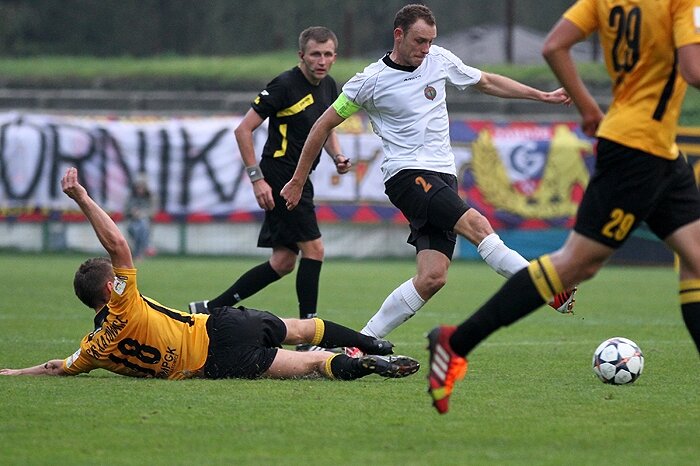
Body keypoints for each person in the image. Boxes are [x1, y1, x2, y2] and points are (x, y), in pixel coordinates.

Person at [425, 0, 700, 414]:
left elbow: (554, 46)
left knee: (697, 259)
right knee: (576, 264)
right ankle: (455, 343)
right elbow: (693, 70)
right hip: (638, 153)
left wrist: (588, 106)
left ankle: (455, 343)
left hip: (658, 150)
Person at [280, 4, 577, 353]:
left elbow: (486, 81)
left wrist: (540, 95)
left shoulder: (439, 60)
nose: (426, 49)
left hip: (443, 176)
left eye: (431, 41)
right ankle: (546, 287)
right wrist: (297, 180)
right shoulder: (369, 81)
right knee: (478, 226)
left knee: (432, 277)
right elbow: (322, 125)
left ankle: (358, 344)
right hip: (407, 175)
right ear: (399, 35)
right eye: (419, 41)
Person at [0, 167, 419, 381]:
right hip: (220, 325)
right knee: (302, 329)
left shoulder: (94, 349)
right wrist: (82, 197)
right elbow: (118, 245)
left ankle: (365, 365)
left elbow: (58, 367)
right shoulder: (123, 305)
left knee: (311, 364)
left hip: (216, 363)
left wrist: (18, 373)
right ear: (111, 287)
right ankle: (374, 344)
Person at [189, 27, 352, 349]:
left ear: (335, 56)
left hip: (300, 177)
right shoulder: (284, 85)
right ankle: (308, 336)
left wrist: (338, 156)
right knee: (315, 250)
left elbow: (326, 127)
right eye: (315, 54)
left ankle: (210, 309)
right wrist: (257, 179)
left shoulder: (330, 85)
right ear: (301, 55)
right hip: (282, 178)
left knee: (283, 261)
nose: (322, 61)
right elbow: (243, 130)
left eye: (328, 54)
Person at [125, 172, 156, 260]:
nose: (140, 190)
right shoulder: (131, 198)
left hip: (145, 223)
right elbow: (126, 212)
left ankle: (138, 253)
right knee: (139, 228)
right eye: (138, 187)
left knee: (142, 226)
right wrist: (133, 212)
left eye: (142, 187)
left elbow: (152, 212)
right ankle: (147, 246)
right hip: (132, 223)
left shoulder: (150, 198)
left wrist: (142, 214)